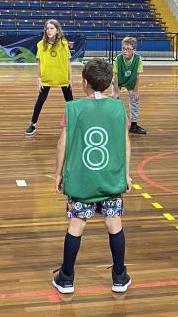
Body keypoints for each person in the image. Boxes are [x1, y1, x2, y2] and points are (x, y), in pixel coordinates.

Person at [53, 58, 132, 294]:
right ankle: (119, 276)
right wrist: (126, 175)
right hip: (110, 178)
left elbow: (62, 144)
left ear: (84, 82)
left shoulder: (73, 108)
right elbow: (125, 142)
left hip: (82, 179)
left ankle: (66, 278)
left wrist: (58, 174)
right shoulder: (119, 107)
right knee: (114, 224)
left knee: (76, 225)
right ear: (108, 83)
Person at [26, 19, 74, 137]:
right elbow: (39, 62)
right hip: (46, 77)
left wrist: (70, 78)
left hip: (62, 77)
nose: (49, 31)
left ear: (57, 30)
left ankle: (74, 123)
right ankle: (33, 124)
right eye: (47, 28)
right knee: (40, 100)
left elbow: (68, 61)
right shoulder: (40, 44)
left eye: (52, 28)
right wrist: (38, 78)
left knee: (70, 102)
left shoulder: (64, 43)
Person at [111, 36, 146, 135]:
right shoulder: (118, 59)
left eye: (128, 49)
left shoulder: (138, 59)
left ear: (134, 50)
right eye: (123, 49)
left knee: (135, 100)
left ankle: (133, 125)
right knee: (115, 100)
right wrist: (116, 92)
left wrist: (136, 90)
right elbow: (116, 75)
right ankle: (115, 123)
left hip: (131, 81)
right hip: (119, 81)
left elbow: (137, 76)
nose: (125, 51)